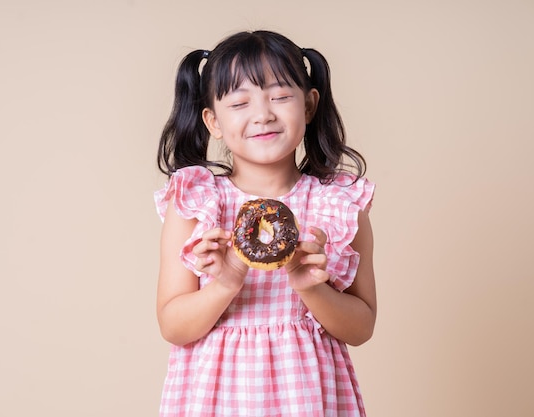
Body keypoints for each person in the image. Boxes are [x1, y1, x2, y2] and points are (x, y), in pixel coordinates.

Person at [154, 30, 377, 417]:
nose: (263, 115)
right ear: (213, 121)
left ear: (309, 106)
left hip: (308, 396)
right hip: (216, 397)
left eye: (280, 96)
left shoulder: (337, 204)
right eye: (240, 102)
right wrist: (226, 282)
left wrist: (312, 288)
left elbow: (361, 328)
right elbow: (173, 327)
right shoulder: (197, 204)